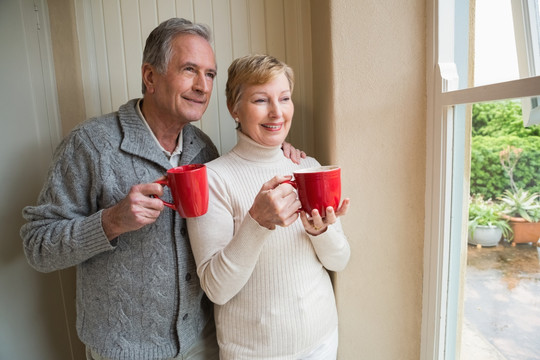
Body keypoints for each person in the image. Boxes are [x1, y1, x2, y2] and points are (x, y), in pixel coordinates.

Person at [20, 18, 304, 360]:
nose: (202, 86)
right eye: (189, 70)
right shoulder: (91, 144)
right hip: (123, 351)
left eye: (210, 74)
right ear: (150, 76)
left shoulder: (204, 150)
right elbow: (38, 246)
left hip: (202, 343)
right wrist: (111, 221)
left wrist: (281, 153)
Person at [186, 54, 351, 360]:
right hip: (255, 353)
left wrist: (322, 232)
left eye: (284, 98)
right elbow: (217, 289)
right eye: (261, 100)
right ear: (234, 108)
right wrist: (257, 223)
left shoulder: (308, 167)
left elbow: (339, 260)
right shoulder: (214, 180)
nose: (277, 112)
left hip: (323, 341)